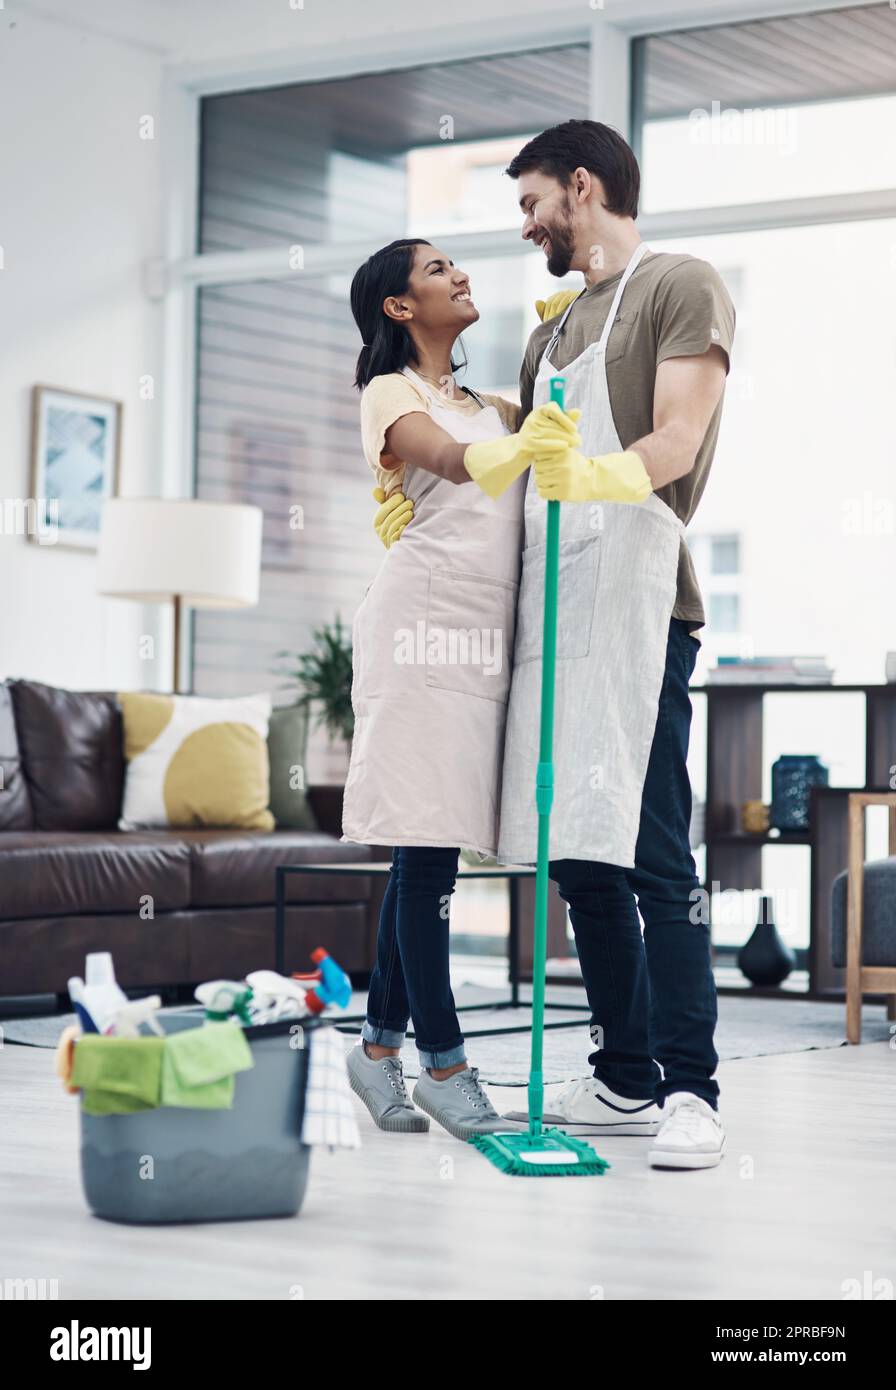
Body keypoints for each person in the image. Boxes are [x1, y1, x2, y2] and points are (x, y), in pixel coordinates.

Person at [381, 121, 736, 1171]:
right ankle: (625, 1074)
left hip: (638, 605)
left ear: (581, 188)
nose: (526, 223)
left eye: (533, 202)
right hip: (555, 604)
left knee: (654, 855)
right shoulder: (548, 332)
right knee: (579, 852)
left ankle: (690, 1091)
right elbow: (520, 460)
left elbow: (674, 437)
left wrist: (594, 474)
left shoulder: (682, 285)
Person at [341, 237, 577, 1140]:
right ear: (400, 308)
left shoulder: (492, 403)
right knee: (427, 847)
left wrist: (567, 360)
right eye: (437, 271)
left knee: (426, 848)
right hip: (417, 626)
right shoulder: (390, 393)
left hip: (484, 637)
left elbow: (553, 436)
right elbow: (450, 461)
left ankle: (373, 1055)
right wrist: (528, 435)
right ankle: (444, 1063)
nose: (459, 275)